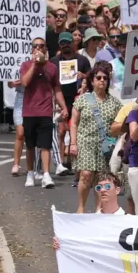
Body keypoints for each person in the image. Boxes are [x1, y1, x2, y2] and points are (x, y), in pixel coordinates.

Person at [68, 63, 122, 213]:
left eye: (105, 78)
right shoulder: (83, 99)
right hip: (85, 142)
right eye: (98, 77)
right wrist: (73, 143)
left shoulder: (115, 103)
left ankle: (99, 210)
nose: (102, 80)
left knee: (101, 179)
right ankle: (81, 207)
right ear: (92, 81)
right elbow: (74, 123)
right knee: (85, 174)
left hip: (105, 146)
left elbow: (119, 124)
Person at [20, 38, 69, 188]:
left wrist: (64, 106)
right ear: (31, 50)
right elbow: (25, 82)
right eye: (35, 46)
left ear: (46, 49)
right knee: (30, 145)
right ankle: (30, 173)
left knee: (45, 145)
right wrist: (35, 64)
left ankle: (46, 175)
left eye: (41, 46)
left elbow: (57, 89)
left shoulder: (52, 68)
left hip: (46, 111)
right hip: (29, 111)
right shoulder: (26, 65)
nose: (38, 49)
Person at [51, 32, 92, 174]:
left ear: (73, 43)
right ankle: (61, 162)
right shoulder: (54, 61)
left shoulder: (82, 60)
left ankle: (74, 161)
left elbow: (92, 76)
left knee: (77, 131)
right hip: (60, 99)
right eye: (62, 43)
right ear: (59, 44)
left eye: (68, 42)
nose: (65, 45)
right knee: (61, 131)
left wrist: (84, 75)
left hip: (77, 98)